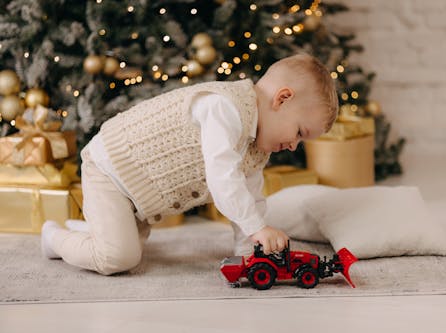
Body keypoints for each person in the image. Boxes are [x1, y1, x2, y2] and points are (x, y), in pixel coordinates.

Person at [40, 53, 339, 275]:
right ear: (282, 99)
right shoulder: (226, 107)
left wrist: (251, 249)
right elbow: (223, 179)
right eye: (299, 132)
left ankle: (94, 229)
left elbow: (250, 196)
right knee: (118, 258)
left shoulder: (256, 147)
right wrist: (258, 227)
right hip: (112, 168)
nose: (293, 145)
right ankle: (54, 238)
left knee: (132, 242)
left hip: (139, 195)